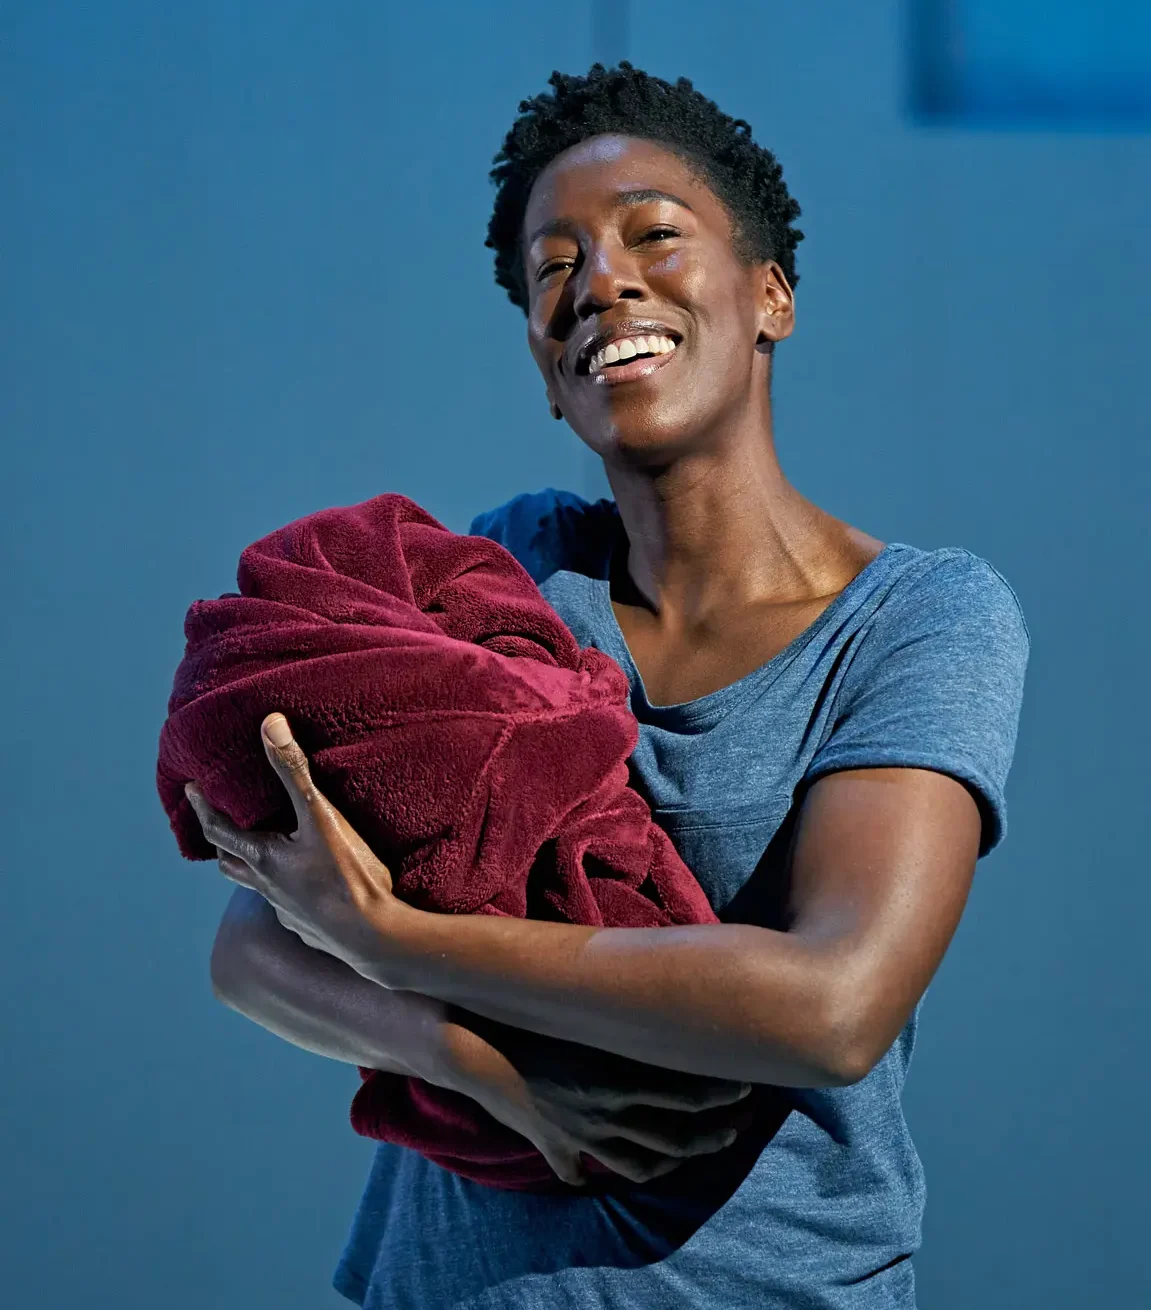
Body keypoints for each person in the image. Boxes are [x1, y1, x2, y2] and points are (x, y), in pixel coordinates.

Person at [193, 64, 1029, 1309]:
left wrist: (400, 941)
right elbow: (253, 943)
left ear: (769, 296)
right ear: (546, 368)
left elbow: (832, 1001)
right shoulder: (509, 571)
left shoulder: (916, 619)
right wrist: (480, 1066)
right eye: (554, 266)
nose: (599, 281)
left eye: (652, 235)